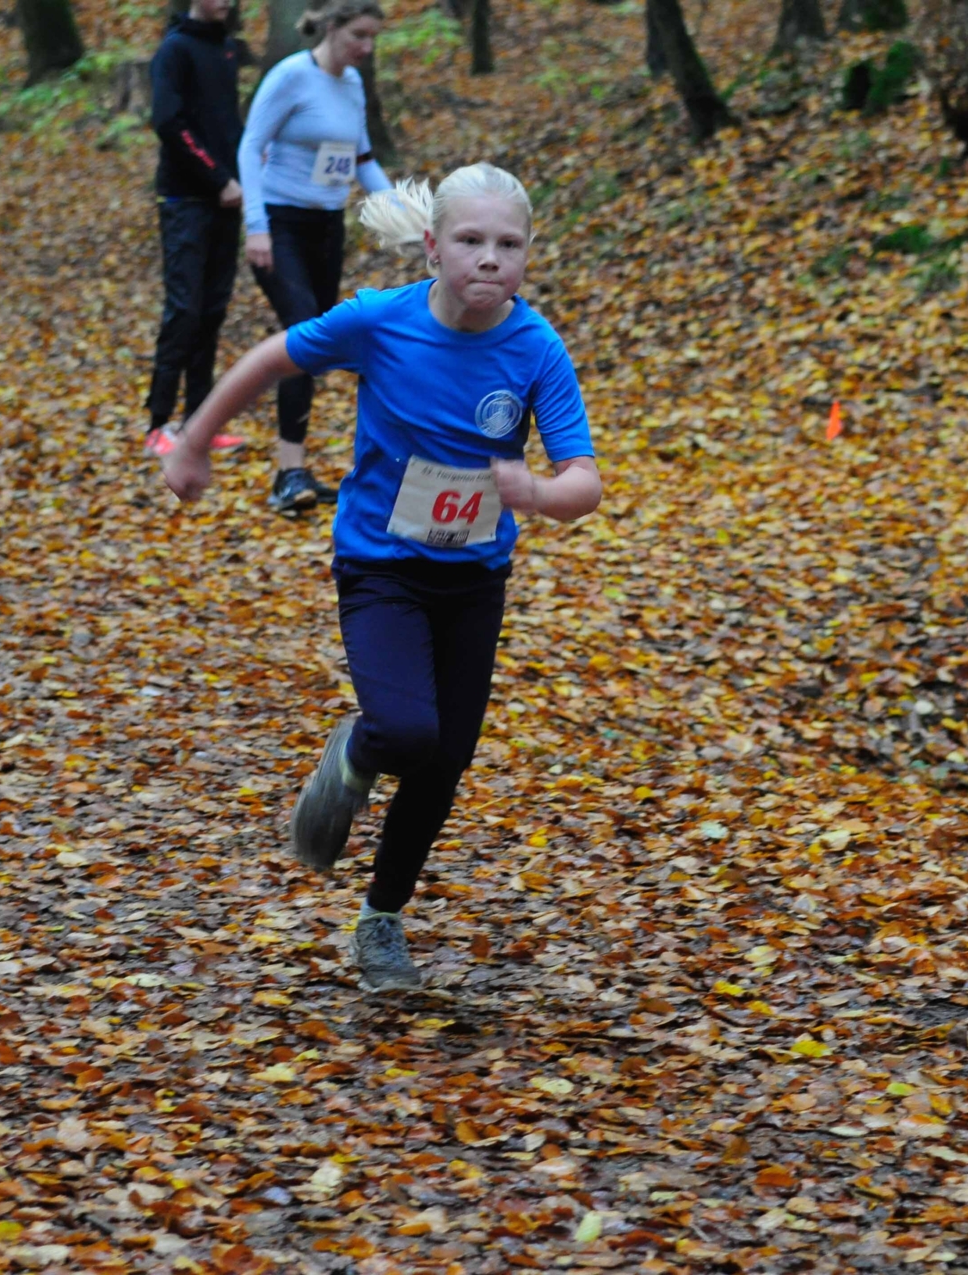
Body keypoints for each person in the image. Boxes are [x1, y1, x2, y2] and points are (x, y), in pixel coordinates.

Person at [163, 164, 602, 992]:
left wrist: (538, 493)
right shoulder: (379, 322)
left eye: (508, 245)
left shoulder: (537, 348)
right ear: (433, 247)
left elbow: (585, 481)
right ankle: (354, 752)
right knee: (406, 732)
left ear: (527, 257)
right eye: (470, 241)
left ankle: (381, 920)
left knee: (445, 762)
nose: (488, 260)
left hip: (474, 577)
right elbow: (270, 360)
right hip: (380, 566)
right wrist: (193, 441)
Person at [238, 0, 391, 516]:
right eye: (359, 37)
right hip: (281, 226)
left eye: (373, 39)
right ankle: (289, 473)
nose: (366, 49)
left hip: (328, 228)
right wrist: (256, 226)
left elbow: (362, 160)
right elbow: (250, 146)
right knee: (303, 334)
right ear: (332, 27)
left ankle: (292, 469)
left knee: (317, 346)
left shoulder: (351, 85)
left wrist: (409, 213)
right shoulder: (290, 76)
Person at [143, 0, 247, 459]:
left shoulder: (226, 50)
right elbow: (169, 122)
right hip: (187, 199)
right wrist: (216, 177)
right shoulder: (175, 49)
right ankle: (158, 423)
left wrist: (242, 173)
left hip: (227, 200)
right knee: (184, 310)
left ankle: (198, 423)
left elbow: (228, 125)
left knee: (211, 311)